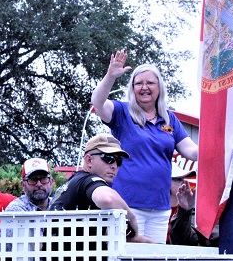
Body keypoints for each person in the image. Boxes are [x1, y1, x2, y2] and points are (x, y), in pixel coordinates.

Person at [91, 50, 198, 243]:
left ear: (159, 88)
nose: (144, 87)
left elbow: (191, 151)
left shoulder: (169, 119)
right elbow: (98, 103)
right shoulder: (122, 112)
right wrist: (111, 76)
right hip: (128, 205)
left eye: (150, 83)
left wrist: (215, 141)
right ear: (132, 88)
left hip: (160, 208)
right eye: (139, 83)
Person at [49, 134, 152, 243]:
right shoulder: (87, 180)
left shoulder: (75, 181)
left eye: (118, 161)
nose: (114, 166)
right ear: (89, 160)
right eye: (109, 158)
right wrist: (131, 217)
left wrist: (141, 240)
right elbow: (107, 198)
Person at [169, 164, 219, 247]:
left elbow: (188, 239)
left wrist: (185, 210)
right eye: (178, 179)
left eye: (183, 178)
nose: (183, 182)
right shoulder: (153, 210)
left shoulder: (193, 208)